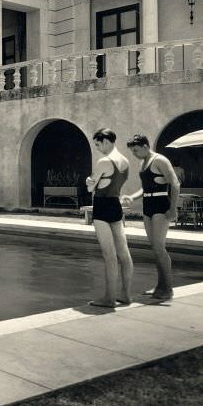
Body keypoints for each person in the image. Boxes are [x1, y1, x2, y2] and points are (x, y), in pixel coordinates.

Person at [122, 134, 180, 300]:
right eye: (132, 151)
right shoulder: (143, 162)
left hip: (161, 204)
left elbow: (175, 184)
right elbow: (145, 188)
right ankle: (160, 286)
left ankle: (167, 289)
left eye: (136, 150)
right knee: (154, 248)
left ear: (146, 146)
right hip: (148, 204)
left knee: (159, 247)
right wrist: (132, 197)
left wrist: (173, 208)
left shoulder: (160, 160)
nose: (134, 154)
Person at [85, 128, 133, 308]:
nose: (97, 148)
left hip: (102, 207)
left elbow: (91, 188)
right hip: (116, 205)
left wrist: (88, 182)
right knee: (124, 253)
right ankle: (126, 295)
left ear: (106, 141)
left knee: (109, 255)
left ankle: (109, 298)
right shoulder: (125, 162)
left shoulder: (104, 161)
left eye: (98, 144)